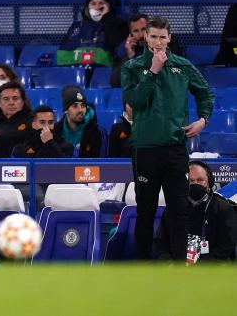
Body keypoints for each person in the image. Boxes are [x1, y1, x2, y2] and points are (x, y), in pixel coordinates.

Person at [121, 15, 214, 261]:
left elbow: (205, 93)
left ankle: (179, 268)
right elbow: (136, 102)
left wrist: (202, 120)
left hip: (174, 149)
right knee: (145, 212)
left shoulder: (182, 66)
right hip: (145, 149)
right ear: (145, 37)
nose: (158, 42)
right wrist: (153, 71)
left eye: (163, 37)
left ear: (169, 39)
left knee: (179, 212)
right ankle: (143, 267)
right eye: (153, 36)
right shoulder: (131, 68)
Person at [155, 161, 237, 262]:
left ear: (209, 182)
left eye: (200, 180)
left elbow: (227, 246)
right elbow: (161, 243)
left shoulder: (223, 207)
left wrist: (200, 268)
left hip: (213, 268)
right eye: (191, 181)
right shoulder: (173, 208)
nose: (195, 184)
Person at [59, 0, 128, 67]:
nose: (97, 7)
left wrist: (106, 17)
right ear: (87, 7)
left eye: (101, 3)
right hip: (74, 72)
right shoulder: (76, 26)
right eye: (93, 3)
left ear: (109, 6)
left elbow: (117, 42)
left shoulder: (119, 24)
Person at [110, 13, 184, 87]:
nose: (141, 35)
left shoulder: (168, 43)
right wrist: (129, 57)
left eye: (144, 29)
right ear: (131, 34)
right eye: (136, 31)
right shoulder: (123, 50)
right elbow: (115, 82)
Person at [0, 81, 32, 158]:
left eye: (15, 98)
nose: (11, 103)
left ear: (22, 102)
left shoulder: (33, 122)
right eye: (6, 99)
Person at [53, 86, 108, 157]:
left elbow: (101, 163)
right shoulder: (55, 131)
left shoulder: (98, 132)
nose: (80, 110)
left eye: (83, 105)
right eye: (75, 106)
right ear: (66, 110)